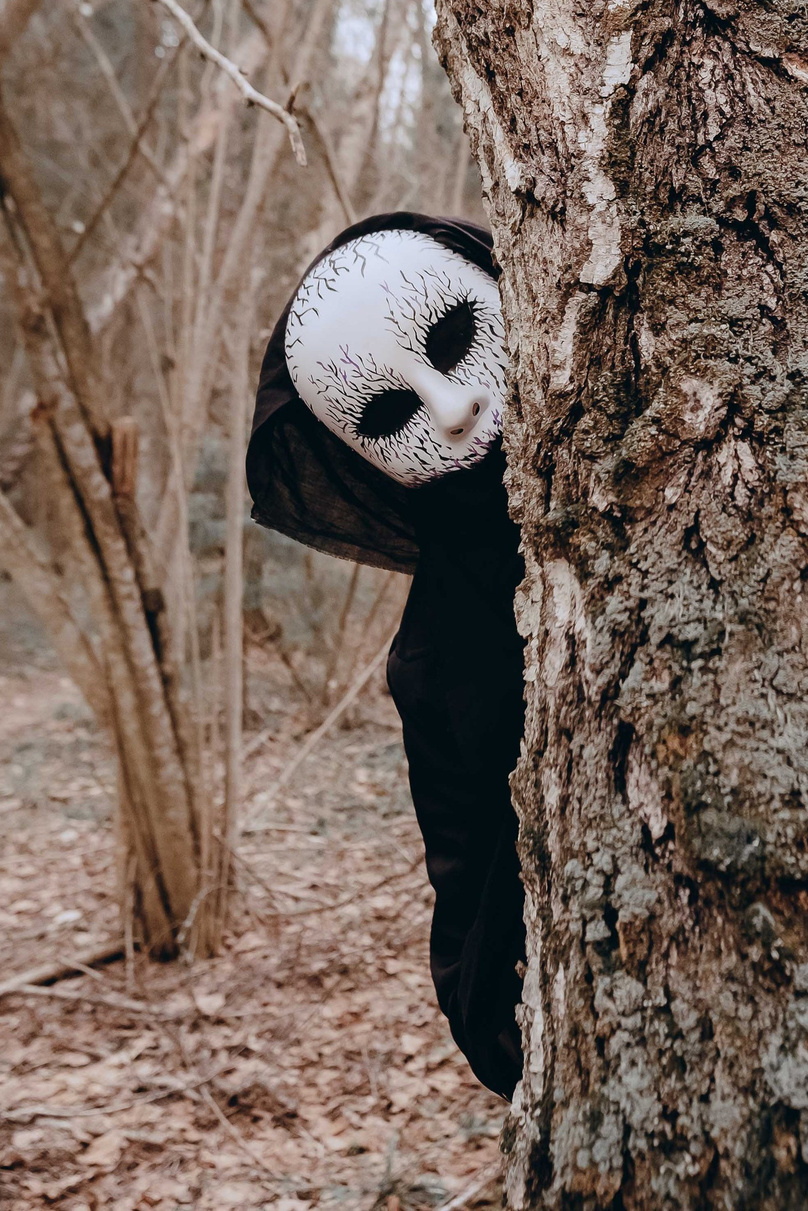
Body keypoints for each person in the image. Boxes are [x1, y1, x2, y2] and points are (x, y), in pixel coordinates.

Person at [247, 212, 526, 1098]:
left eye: (451, 340)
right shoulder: (438, 654)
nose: (453, 411)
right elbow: (471, 897)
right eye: (392, 411)